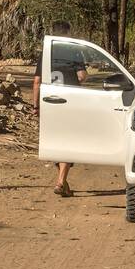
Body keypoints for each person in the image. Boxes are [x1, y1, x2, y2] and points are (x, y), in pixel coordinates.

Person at [33, 20, 87, 197]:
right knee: (69, 142)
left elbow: (36, 81)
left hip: (50, 103)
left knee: (56, 142)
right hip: (70, 103)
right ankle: (61, 181)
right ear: (68, 33)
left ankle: (62, 181)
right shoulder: (73, 51)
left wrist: (36, 106)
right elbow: (82, 76)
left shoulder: (47, 52)